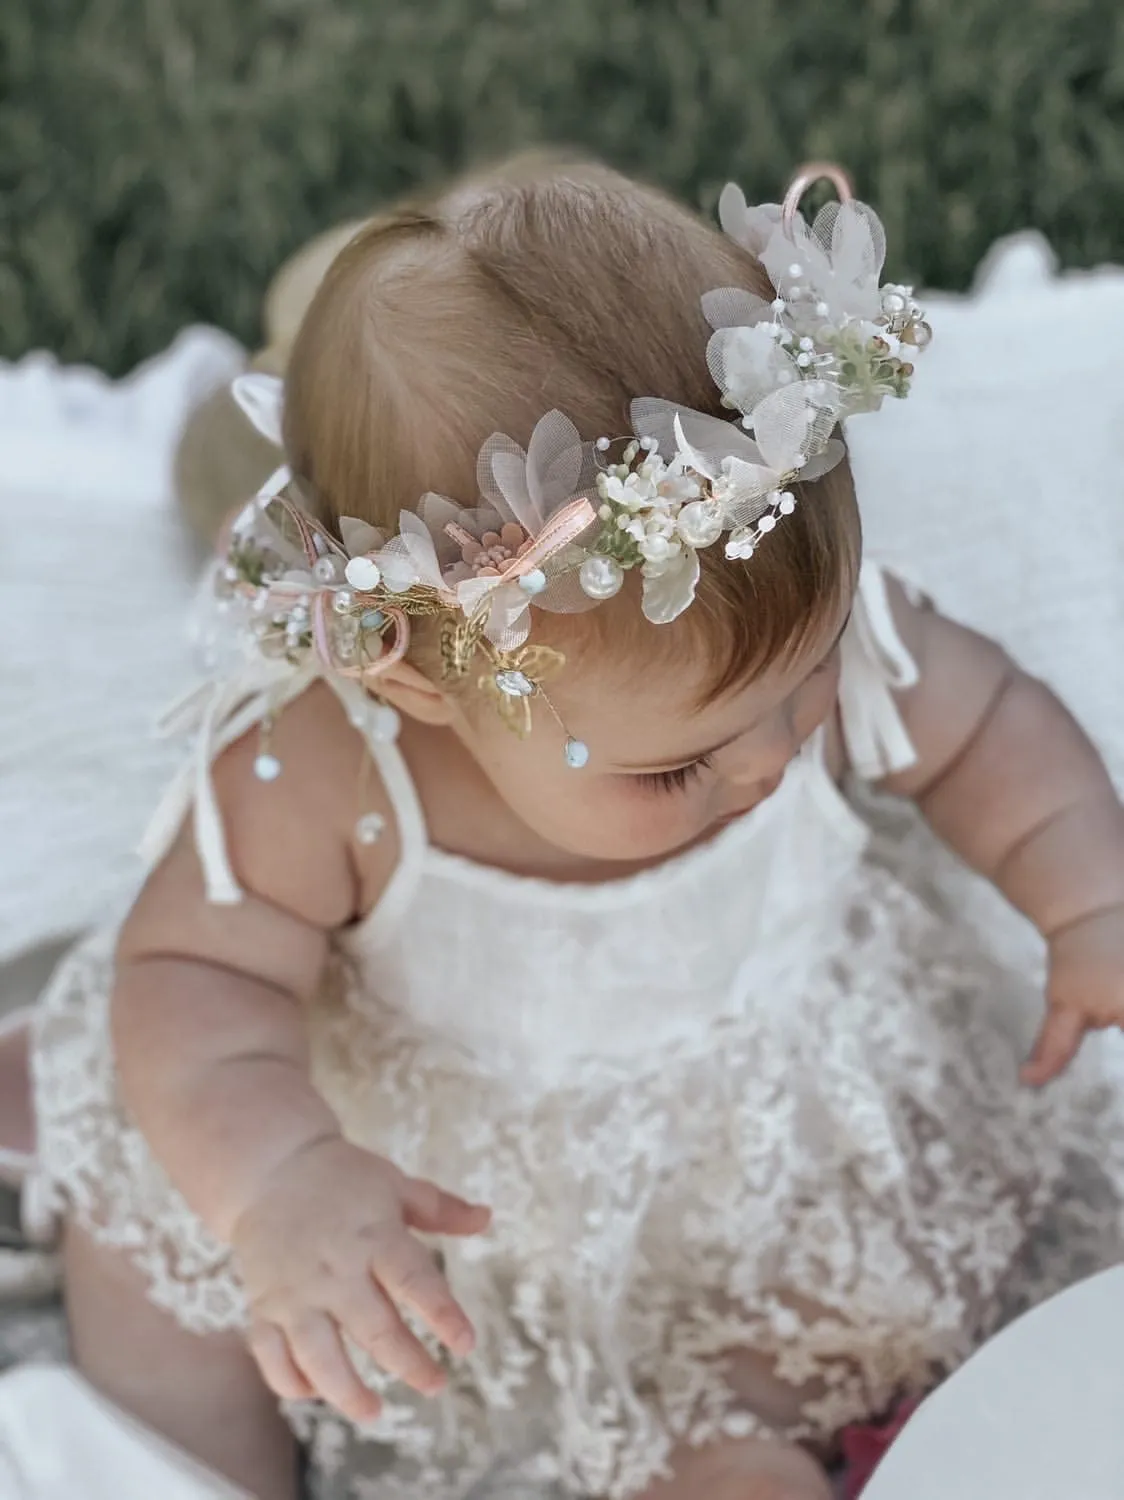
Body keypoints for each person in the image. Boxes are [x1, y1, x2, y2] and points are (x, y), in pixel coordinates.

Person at [29, 155, 1124, 1500]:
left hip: (745, 1144)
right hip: (424, 1188)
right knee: (166, 1267)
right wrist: (278, 1181)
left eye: (810, 685)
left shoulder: (781, 637)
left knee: (790, 1384)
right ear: (421, 682)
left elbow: (989, 721)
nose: (783, 760)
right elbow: (198, 970)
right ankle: (202, 1472)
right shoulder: (332, 770)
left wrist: (1088, 899)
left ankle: (733, 1456)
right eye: (679, 769)